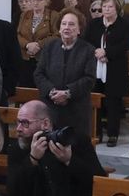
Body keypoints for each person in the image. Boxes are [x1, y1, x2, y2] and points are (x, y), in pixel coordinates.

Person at [7, 100, 104, 196]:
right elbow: (13, 191)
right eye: (18, 122)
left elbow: (98, 180)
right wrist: (32, 159)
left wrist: (69, 160)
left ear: (45, 123)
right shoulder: (18, 148)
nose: (18, 129)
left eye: (25, 123)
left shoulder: (74, 140)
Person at [35, 9, 97, 140]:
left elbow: (89, 79)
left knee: (76, 148)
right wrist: (52, 92)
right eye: (64, 24)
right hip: (51, 109)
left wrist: (67, 93)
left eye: (71, 24)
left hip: (76, 111)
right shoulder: (50, 47)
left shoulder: (88, 50)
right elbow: (39, 74)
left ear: (79, 29)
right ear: (59, 28)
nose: (67, 27)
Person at [86, 0, 129, 146]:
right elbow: (86, 42)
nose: (106, 9)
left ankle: (113, 134)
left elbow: (126, 44)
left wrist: (107, 53)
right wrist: (97, 53)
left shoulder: (126, 24)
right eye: (104, 6)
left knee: (113, 101)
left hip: (115, 66)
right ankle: (96, 132)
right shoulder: (94, 24)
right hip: (96, 65)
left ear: (117, 9)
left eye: (110, 7)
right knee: (95, 98)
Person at [16, 0, 60, 89]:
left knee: (43, 89)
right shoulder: (25, 15)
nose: (35, 2)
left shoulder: (53, 15)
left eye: (39, 0)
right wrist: (27, 45)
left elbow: (57, 36)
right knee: (25, 90)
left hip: (45, 60)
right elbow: (18, 34)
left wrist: (38, 45)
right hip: (25, 59)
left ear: (46, 2)